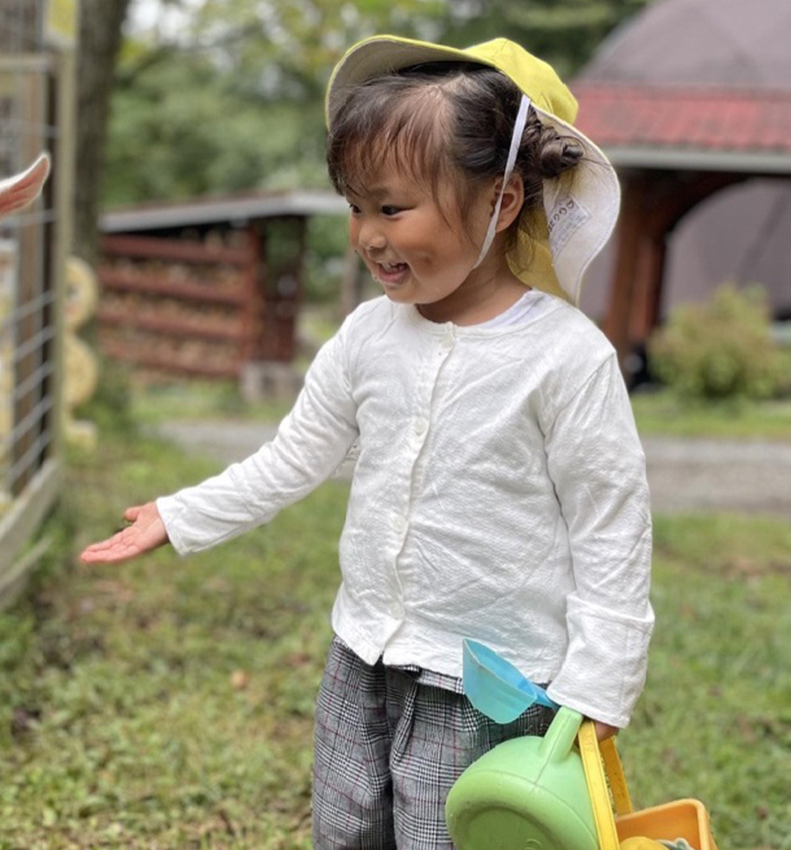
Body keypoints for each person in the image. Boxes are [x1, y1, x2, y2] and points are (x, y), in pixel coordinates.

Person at [81, 34, 653, 850]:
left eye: (392, 209)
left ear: (504, 200)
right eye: (356, 207)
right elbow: (294, 455)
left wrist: (600, 682)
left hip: (491, 681)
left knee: (446, 835)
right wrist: (180, 514)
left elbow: (611, 528)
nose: (368, 237)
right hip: (364, 654)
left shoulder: (565, 358)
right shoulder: (366, 338)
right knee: (346, 825)